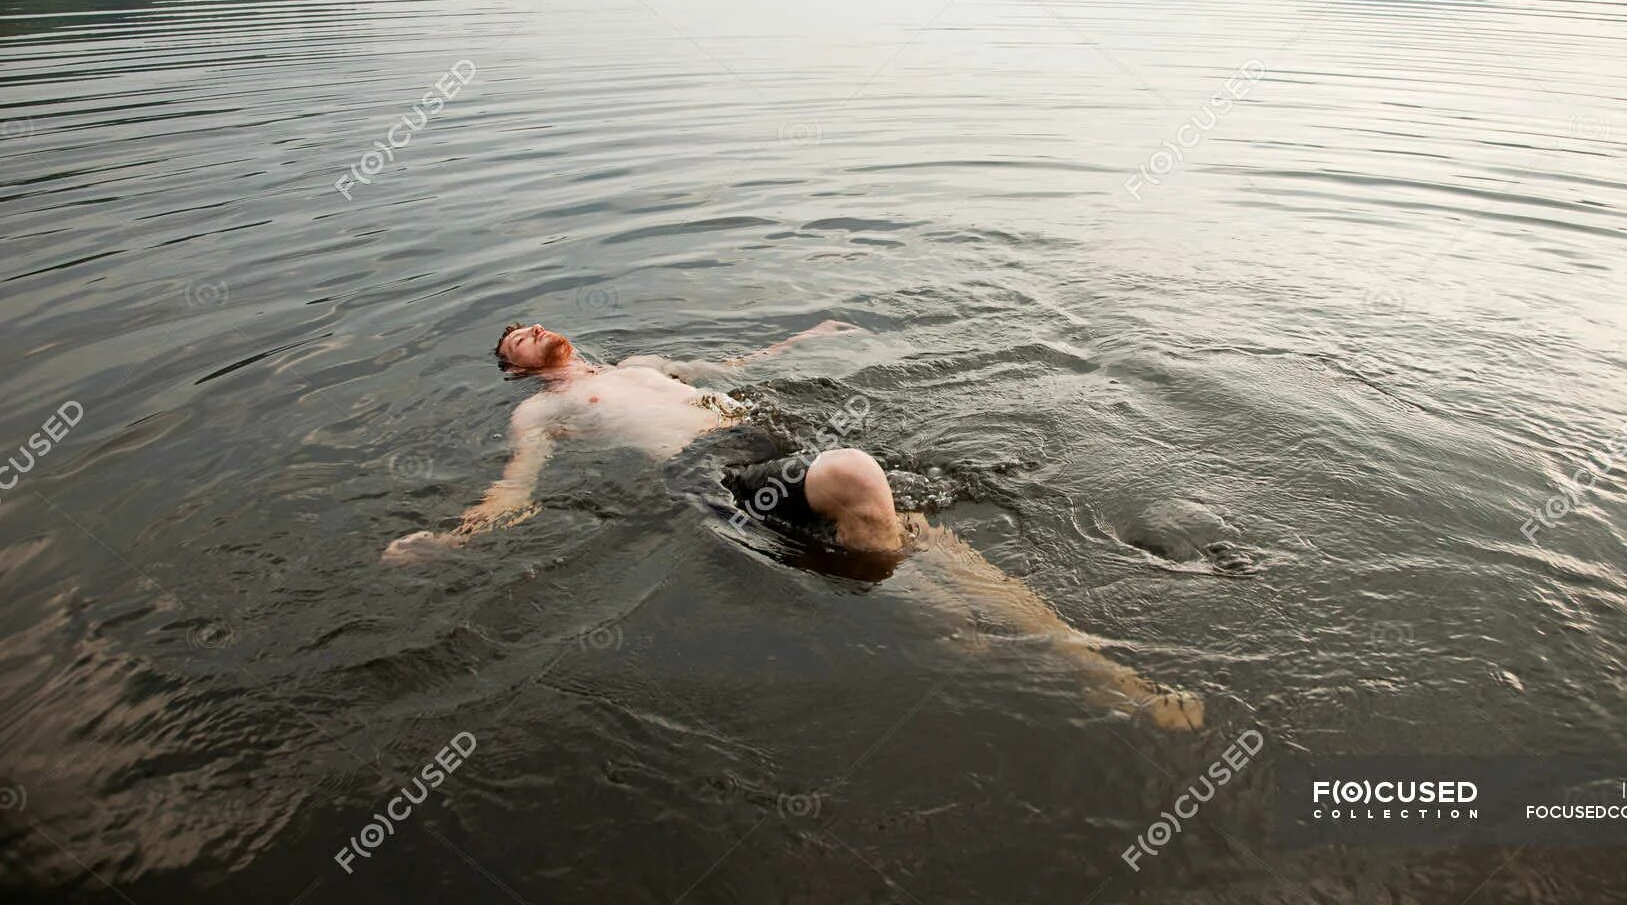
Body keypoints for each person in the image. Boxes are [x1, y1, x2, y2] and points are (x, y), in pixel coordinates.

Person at [382, 319, 1204, 730]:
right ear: (515, 368)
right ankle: (938, 622)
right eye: (513, 340)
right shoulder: (541, 412)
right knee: (857, 475)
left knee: (942, 548)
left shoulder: (640, 365)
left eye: (529, 322)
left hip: (765, 440)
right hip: (717, 477)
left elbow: (732, 373)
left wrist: (808, 337)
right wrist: (449, 538)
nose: (526, 331)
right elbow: (512, 492)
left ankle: (1119, 685)